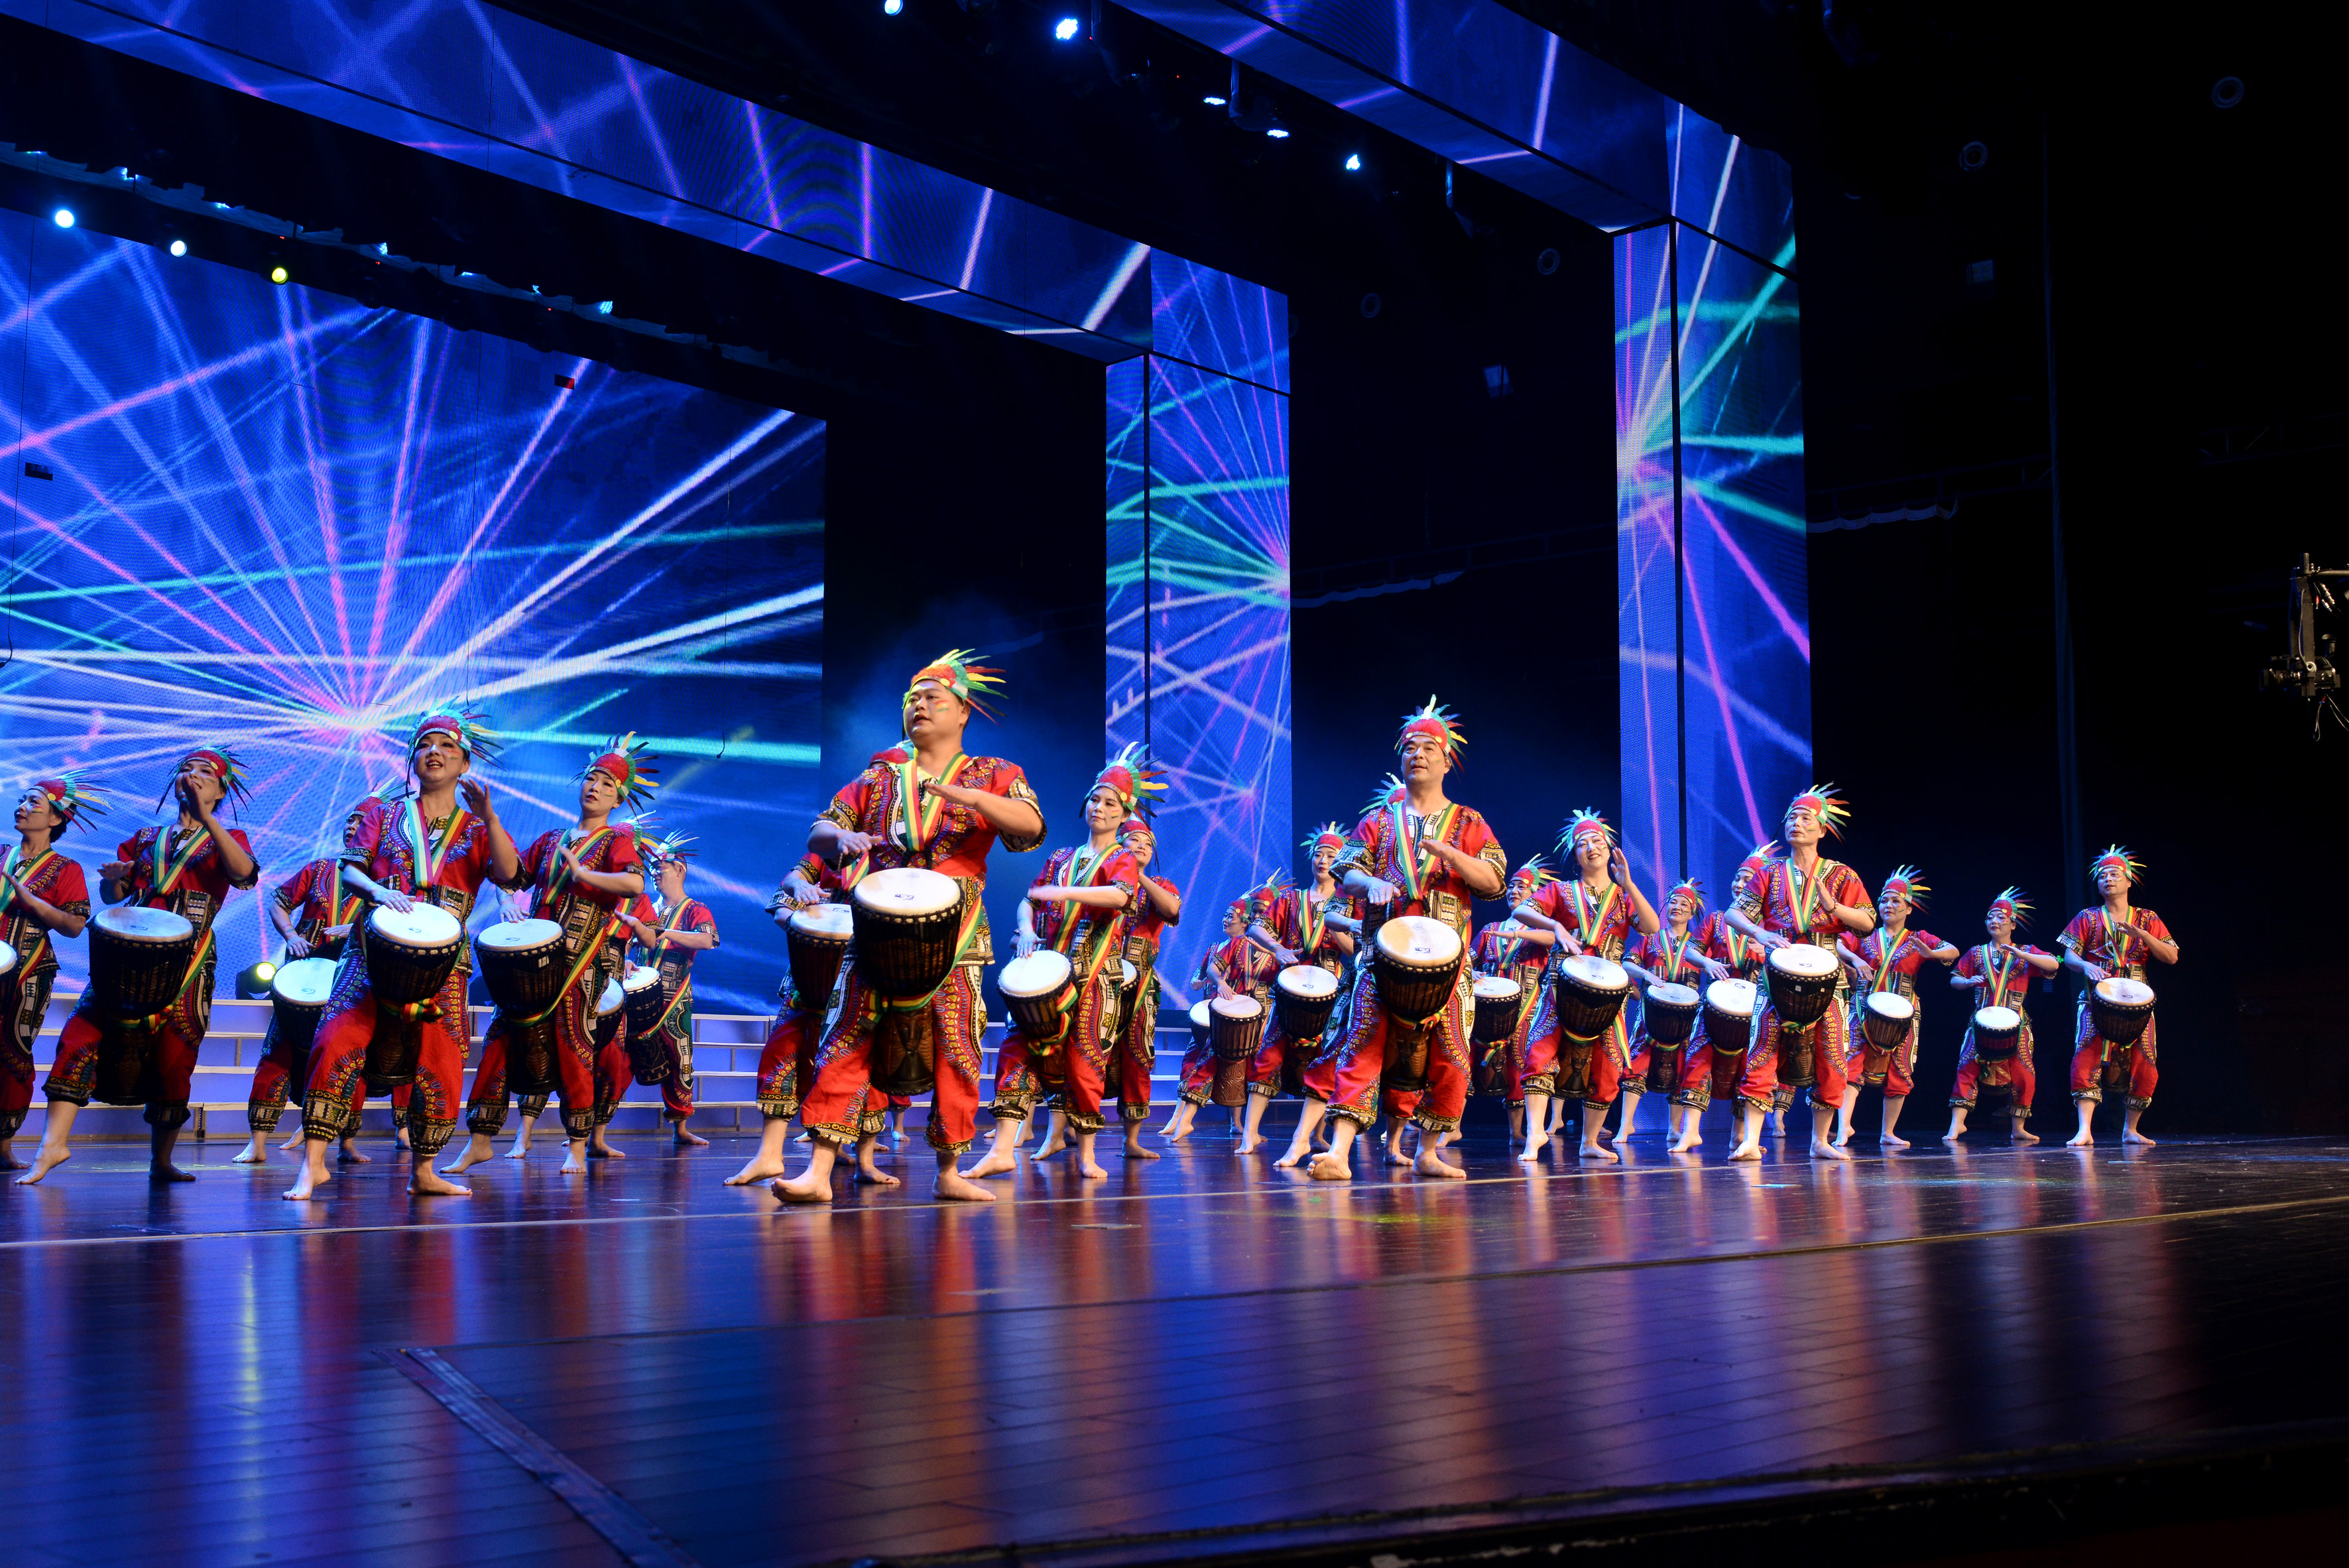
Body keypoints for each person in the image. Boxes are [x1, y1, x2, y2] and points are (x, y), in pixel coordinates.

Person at [775, 650, 1046, 1204]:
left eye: (931, 698)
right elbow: (820, 828)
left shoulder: (994, 773)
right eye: (911, 699)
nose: (918, 705)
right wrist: (840, 838)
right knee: (844, 1039)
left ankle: (949, 1171)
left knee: (957, 1049)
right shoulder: (878, 777)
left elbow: (1031, 826)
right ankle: (818, 1171)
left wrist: (971, 798)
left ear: (962, 711)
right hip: (875, 928)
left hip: (956, 934)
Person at [286, 709, 522, 1199]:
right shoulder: (385, 814)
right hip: (372, 950)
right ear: (413, 759)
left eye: (447, 746)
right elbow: (351, 869)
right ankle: (313, 1164)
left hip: (443, 962)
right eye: (425, 744)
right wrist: (377, 891)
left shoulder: (478, 828)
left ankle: (425, 1170)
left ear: (464, 763)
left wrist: (491, 816)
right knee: (335, 1038)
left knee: (442, 1057)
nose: (434, 752)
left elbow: (508, 873)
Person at [20, 748, 258, 1186]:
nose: (193, 776)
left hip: (188, 958)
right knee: (80, 1035)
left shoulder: (230, 837)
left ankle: (161, 1160)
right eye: (186, 769)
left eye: (206, 773)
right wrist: (114, 880)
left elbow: (244, 875)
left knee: (176, 1053)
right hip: (130, 953)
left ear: (221, 791)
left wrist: (207, 817)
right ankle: (52, 1144)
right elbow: (114, 896)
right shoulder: (147, 837)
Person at [1293, 699, 1508, 1181]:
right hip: (1381, 956)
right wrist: (1370, 882)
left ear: (1447, 761)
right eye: (1410, 747)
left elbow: (1494, 881)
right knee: (1362, 1045)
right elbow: (1347, 870)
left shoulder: (1468, 821)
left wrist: (1450, 853)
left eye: (1428, 747)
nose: (1417, 754)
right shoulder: (1379, 819)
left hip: (1449, 963)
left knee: (1451, 1055)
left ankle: (1429, 1151)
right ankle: (1339, 1152)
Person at [443, 736, 652, 1176]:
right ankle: (480, 1141)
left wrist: (584, 873)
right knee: (500, 1041)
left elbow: (634, 884)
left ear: (618, 799)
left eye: (607, 784)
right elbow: (510, 874)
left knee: (574, 1045)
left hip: (580, 964)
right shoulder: (552, 839)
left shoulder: (616, 842)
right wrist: (505, 893)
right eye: (591, 779)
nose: (595, 788)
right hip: (531, 964)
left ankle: (576, 1147)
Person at [976, 746, 1154, 1179]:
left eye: (1110, 803)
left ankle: (1087, 1155)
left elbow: (1119, 896)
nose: (1099, 808)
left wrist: (1063, 893)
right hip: (1048, 969)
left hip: (1095, 976)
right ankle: (1002, 1149)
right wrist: (1026, 927)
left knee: (1084, 1060)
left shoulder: (1122, 859)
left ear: (1124, 814)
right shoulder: (1059, 858)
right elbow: (1029, 899)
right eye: (1095, 799)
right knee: (1016, 1050)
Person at [1723, 786, 1875, 1162]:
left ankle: (1821, 1141)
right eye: (1792, 817)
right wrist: (1758, 932)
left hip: (1829, 978)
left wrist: (1834, 907)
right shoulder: (1770, 872)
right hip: (1777, 976)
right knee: (1762, 1050)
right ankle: (1750, 1141)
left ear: (1822, 830)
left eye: (1806, 818)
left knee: (1832, 1057)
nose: (1797, 823)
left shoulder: (1841, 875)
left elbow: (1867, 923)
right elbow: (1733, 913)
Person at [1511, 810, 1661, 1164]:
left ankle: (1590, 1141)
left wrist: (1629, 883)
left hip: (1608, 992)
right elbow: (1521, 912)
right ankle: (1536, 1133)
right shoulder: (1561, 890)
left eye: (1597, 841)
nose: (1591, 847)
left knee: (1608, 1064)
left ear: (1609, 850)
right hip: (1562, 984)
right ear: (1575, 855)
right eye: (1582, 843)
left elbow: (1652, 927)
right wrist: (1555, 926)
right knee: (1541, 1052)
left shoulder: (1623, 896)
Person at [236, 847, 369, 1164]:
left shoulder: (384, 878)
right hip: (303, 973)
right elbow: (279, 904)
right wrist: (291, 935)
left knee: (351, 1061)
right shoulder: (318, 869)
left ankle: (347, 1143)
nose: (353, 827)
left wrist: (357, 928)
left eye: (360, 824)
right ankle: (257, 1143)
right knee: (277, 1053)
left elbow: (400, 918)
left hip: (351, 977)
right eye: (350, 823)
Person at [1239, 824, 1362, 1154]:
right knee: (1268, 1056)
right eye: (1319, 855)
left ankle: (1313, 1136)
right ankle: (1249, 1134)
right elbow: (1256, 927)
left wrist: (1336, 926)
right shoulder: (1291, 900)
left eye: (1331, 856)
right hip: (1291, 986)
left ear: (1341, 863)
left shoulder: (1348, 904)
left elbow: (1355, 950)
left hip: (1331, 990)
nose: (1323, 861)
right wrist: (1277, 947)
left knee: (1323, 1059)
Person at [726, 850, 847, 1185]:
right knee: (781, 1052)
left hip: (860, 973)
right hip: (811, 973)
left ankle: (853, 1155)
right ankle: (768, 1156)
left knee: (844, 1063)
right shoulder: (830, 847)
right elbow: (788, 888)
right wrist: (800, 897)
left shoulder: (893, 854)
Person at [0, 776, 99, 1172]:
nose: (22, 807)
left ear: (56, 818)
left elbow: (75, 925)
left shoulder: (65, 868)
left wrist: (32, 902)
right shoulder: (1, 854)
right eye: (22, 800)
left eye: (34, 803)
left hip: (30, 969)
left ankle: (3, 1145)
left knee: (12, 1050)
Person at [2061, 847, 2179, 1147]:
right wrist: (2085, 965)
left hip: (2138, 1003)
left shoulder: (2147, 918)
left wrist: (2144, 936)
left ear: (2128, 882)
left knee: (2145, 1062)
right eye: (2103, 876)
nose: (2108, 879)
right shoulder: (2087, 917)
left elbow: (2172, 957)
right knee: (2085, 1058)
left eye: (2115, 874)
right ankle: (2084, 1130)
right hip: (2096, 999)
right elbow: (2069, 956)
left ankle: (2131, 1129)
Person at [1835, 866, 1956, 1149]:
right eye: (1884, 901)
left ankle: (1888, 1132)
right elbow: (1837, 944)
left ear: (1909, 908)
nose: (1888, 905)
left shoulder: (1918, 937)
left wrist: (1931, 953)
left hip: (1904, 1013)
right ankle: (1843, 1127)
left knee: (1901, 1069)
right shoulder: (1865, 934)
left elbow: (1952, 951)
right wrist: (1856, 960)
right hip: (1864, 1008)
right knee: (1851, 1063)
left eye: (1896, 901)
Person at [1669, 841, 1777, 1152]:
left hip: (1757, 1007)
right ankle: (1690, 1132)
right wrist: (1707, 962)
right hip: (1716, 1004)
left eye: (1748, 880)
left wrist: (1767, 952)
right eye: (1737, 878)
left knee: (1749, 1067)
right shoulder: (1717, 919)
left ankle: (1738, 1135)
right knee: (1699, 1060)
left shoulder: (1770, 926)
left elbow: (1790, 963)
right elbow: (1691, 951)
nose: (1740, 885)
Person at [619, 830, 719, 1148]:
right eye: (651, 867)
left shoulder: (695, 909)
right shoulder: (645, 908)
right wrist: (626, 960)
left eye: (660, 866)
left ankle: (681, 1128)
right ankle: (593, 1128)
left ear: (679, 869)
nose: (654, 872)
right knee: (619, 1058)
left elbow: (708, 940)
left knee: (680, 1060)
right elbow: (624, 941)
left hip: (675, 998)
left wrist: (664, 933)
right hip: (638, 998)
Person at [1945, 888, 2061, 1143]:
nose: (1994, 921)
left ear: (2013, 924)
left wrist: (2023, 955)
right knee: (1967, 1068)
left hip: (2016, 1024)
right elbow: (1954, 979)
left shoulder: (2026, 951)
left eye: (2001, 917)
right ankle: (1957, 1124)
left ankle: (2018, 1127)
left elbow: (2055, 963)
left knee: (2024, 1073)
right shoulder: (1976, 953)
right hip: (1980, 1022)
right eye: (1990, 917)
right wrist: (1967, 982)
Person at [1619, 877, 1727, 1142]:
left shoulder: (1698, 945)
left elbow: (1717, 967)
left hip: (1687, 1017)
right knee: (1637, 1065)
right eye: (1672, 902)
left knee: (1683, 1067)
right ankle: (1626, 1125)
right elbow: (1627, 963)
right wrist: (1646, 974)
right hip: (1651, 1015)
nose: (1677, 907)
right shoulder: (1650, 939)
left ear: (1692, 913)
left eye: (1683, 905)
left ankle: (1674, 1128)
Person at [1164, 892, 1274, 1142]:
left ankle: (1239, 1124)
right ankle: (1179, 1118)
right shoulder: (1220, 947)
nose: (1225, 920)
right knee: (1197, 1059)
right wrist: (1203, 981)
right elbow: (1202, 974)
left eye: (1231, 916)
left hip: (1252, 1016)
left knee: (1243, 1068)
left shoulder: (1268, 949)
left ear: (1245, 922)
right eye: (1225, 915)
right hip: (1219, 1013)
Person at [1107, 814, 1180, 1157]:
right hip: (1100, 977)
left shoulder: (1160, 884)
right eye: (1134, 840)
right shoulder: (1103, 879)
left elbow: (1171, 908)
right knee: (1089, 1051)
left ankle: (1131, 1141)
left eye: (1148, 844)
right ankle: (1072, 1131)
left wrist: (1138, 876)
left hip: (1140, 987)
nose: (1141, 846)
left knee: (1138, 1054)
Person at [1472, 857, 1555, 1144]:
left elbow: (1553, 938)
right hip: (1490, 1010)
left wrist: (1518, 931)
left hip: (1526, 1008)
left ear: (1534, 895)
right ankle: (1451, 1126)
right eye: (1512, 886)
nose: (1514, 891)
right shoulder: (1490, 929)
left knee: (1520, 1063)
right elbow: (1470, 959)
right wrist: (1473, 971)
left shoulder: (1539, 932)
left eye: (1522, 887)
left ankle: (1517, 1132)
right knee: (1470, 1061)